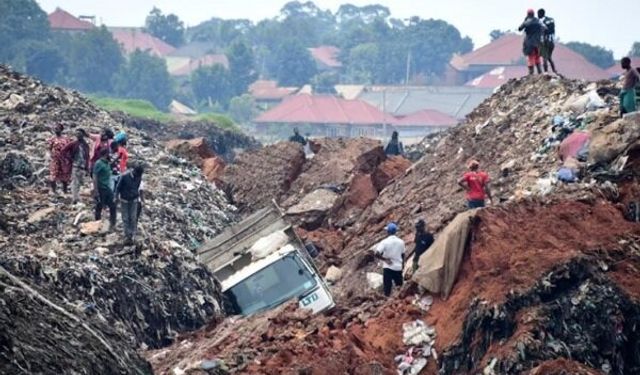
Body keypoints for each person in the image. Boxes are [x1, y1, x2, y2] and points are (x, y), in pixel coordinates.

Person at [115, 164, 144, 245]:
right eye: (137, 175)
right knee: (125, 218)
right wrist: (116, 197)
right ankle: (127, 235)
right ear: (134, 171)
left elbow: (138, 188)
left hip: (134, 200)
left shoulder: (139, 177)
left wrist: (139, 198)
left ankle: (132, 235)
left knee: (133, 217)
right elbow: (118, 188)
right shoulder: (124, 176)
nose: (138, 176)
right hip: (124, 200)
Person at [374, 222, 406, 297]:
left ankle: (387, 303)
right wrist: (402, 265)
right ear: (395, 232)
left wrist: (385, 259)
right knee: (399, 287)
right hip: (398, 267)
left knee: (387, 289)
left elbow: (376, 253)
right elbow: (403, 254)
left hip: (388, 267)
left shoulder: (384, 242)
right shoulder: (401, 242)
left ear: (388, 232)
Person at [62, 128, 90, 203]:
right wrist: (69, 158)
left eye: (79, 133)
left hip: (83, 167)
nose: (78, 135)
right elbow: (64, 150)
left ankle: (78, 197)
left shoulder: (85, 145)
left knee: (81, 182)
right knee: (75, 182)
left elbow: (87, 156)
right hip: (75, 166)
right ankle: (75, 199)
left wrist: (87, 167)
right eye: (76, 133)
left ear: (83, 135)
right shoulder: (74, 143)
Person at [93, 148, 116, 230]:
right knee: (99, 206)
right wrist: (96, 191)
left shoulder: (107, 163)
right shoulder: (98, 163)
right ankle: (97, 224)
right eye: (108, 153)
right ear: (106, 154)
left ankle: (113, 223)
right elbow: (95, 177)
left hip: (107, 188)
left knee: (112, 205)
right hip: (101, 188)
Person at [518, 9, 544, 75]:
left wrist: (525, 21)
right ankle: (540, 72)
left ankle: (531, 73)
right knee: (537, 56)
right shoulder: (538, 21)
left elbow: (520, 28)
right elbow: (545, 28)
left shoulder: (527, 21)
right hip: (538, 42)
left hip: (529, 42)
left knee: (531, 57)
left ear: (528, 14)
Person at [48, 124, 72, 194]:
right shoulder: (52, 139)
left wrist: (69, 158)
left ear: (61, 130)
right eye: (55, 128)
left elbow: (69, 148)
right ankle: (53, 190)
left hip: (64, 160)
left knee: (64, 175)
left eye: (57, 128)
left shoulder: (66, 139)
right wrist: (50, 155)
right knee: (53, 174)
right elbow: (49, 148)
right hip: (55, 159)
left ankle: (65, 191)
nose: (56, 130)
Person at [538, 8, 557, 74]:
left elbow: (542, 31)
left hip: (545, 42)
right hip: (552, 42)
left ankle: (546, 72)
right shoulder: (551, 20)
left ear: (540, 14)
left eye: (538, 14)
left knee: (544, 58)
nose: (538, 15)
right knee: (549, 57)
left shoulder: (540, 21)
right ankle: (554, 71)